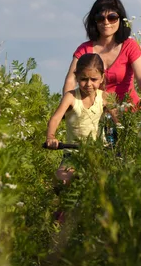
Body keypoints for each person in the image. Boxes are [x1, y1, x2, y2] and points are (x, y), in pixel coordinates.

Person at [63, 0, 141, 108]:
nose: (106, 22)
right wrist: (68, 110)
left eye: (112, 17)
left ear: (121, 19)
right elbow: (71, 81)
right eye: (100, 18)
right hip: (95, 116)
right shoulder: (84, 50)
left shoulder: (130, 46)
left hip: (128, 114)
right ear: (94, 21)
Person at [46, 53, 115, 183]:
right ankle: (62, 202)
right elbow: (55, 118)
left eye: (93, 79)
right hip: (73, 154)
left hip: (99, 153)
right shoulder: (71, 97)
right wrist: (51, 137)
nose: (88, 84)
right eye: (83, 79)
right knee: (61, 181)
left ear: (102, 78)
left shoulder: (105, 97)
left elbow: (119, 120)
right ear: (76, 77)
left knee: (106, 183)